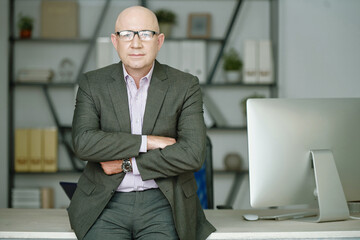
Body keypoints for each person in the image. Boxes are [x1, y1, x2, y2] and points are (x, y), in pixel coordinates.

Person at [68, 5, 216, 240]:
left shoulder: (185, 85)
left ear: (159, 41)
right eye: (127, 34)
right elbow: (84, 143)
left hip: (165, 203)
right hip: (105, 204)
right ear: (115, 41)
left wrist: (127, 164)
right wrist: (148, 141)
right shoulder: (92, 84)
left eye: (145, 34)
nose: (135, 43)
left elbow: (193, 153)